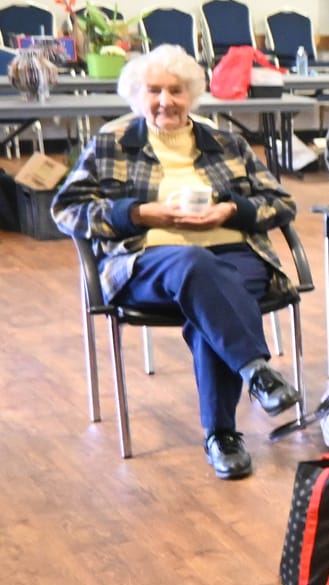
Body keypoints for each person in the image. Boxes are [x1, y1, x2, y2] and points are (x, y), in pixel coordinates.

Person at [53, 44, 303, 479]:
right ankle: (256, 374)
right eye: (154, 91)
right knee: (194, 267)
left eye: (175, 90)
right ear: (137, 95)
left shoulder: (227, 142)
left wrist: (229, 211)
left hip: (234, 253)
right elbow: (67, 209)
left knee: (212, 300)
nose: (165, 101)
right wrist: (140, 213)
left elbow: (280, 203)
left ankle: (222, 436)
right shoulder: (111, 144)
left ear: (191, 96)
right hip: (146, 260)